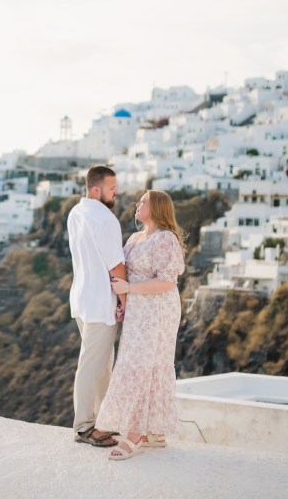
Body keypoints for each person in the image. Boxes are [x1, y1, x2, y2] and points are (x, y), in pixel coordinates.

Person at [96, 189, 184, 460]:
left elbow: (167, 282)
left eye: (143, 201)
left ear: (156, 207)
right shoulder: (135, 238)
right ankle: (153, 431)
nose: (138, 204)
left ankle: (135, 435)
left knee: (145, 364)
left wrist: (129, 289)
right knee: (140, 363)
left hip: (158, 311)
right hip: (139, 310)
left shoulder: (165, 239)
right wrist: (124, 301)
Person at [67, 165, 128, 446]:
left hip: (81, 298)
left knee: (103, 366)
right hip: (100, 302)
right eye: (111, 188)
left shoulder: (76, 213)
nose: (116, 192)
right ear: (96, 189)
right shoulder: (105, 218)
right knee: (91, 367)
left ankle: (105, 420)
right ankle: (84, 426)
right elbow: (116, 265)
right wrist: (125, 301)